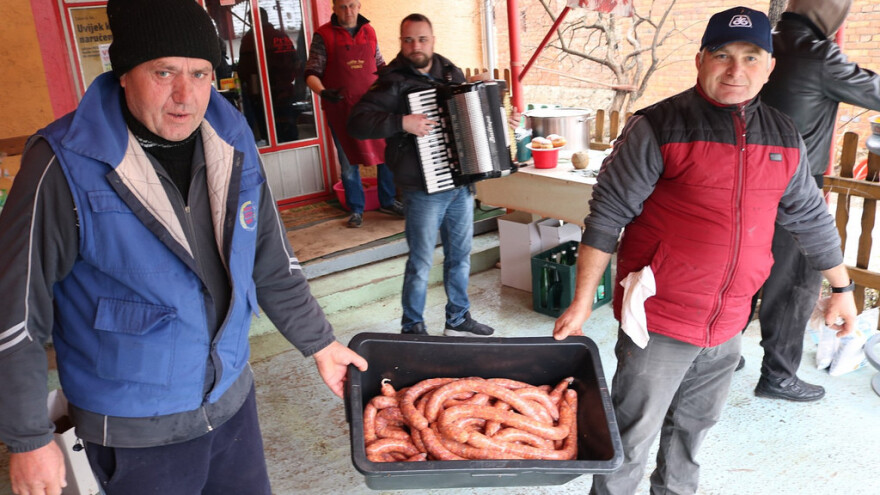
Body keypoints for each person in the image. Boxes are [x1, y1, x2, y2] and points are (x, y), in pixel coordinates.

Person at [0, 1, 367, 494]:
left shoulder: (231, 137)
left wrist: (320, 342)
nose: (185, 95)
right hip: (135, 427)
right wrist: (27, 439)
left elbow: (271, 261)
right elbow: (15, 314)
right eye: (164, 71)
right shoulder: (63, 162)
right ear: (124, 72)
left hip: (231, 401)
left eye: (200, 73)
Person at [551, 7, 857, 494]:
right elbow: (607, 216)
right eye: (723, 55)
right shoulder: (658, 126)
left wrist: (841, 287)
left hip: (730, 322)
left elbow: (811, 218)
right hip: (661, 321)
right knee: (631, 439)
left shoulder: (784, 137)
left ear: (769, 66)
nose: (736, 70)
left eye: (751, 57)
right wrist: (584, 299)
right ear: (700, 60)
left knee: (691, 437)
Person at [743, 0, 880, 401]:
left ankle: (718, 353)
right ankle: (778, 376)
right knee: (793, 286)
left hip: (746, 178)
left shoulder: (767, 42)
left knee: (741, 271)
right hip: (794, 188)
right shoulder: (817, 54)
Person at [348, 13, 495, 337]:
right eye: (408, 40)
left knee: (461, 257)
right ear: (401, 42)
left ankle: (458, 319)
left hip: (459, 184)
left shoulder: (449, 71)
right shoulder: (392, 81)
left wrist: (495, 120)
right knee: (421, 262)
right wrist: (402, 122)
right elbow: (357, 122)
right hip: (422, 189)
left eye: (422, 39)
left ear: (432, 40)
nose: (416, 46)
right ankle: (412, 326)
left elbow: (471, 119)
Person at [305, 0, 402, 228]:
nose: (347, 11)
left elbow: (378, 63)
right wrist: (323, 92)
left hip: (374, 106)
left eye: (351, 6)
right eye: (342, 7)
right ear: (334, 9)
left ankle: (388, 200)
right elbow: (311, 72)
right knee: (348, 160)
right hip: (342, 109)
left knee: (385, 154)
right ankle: (356, 208)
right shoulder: (324, 35)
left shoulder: (369, 31)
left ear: (359, 6)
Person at [238, 7, 303, 143]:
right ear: (267, 18)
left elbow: (244, 71)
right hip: (285, 92)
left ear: (251, 21)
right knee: (288, 129)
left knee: (268, 133)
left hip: (260, 95)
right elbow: (296, 64)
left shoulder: (249, 40)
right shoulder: (281, 37)